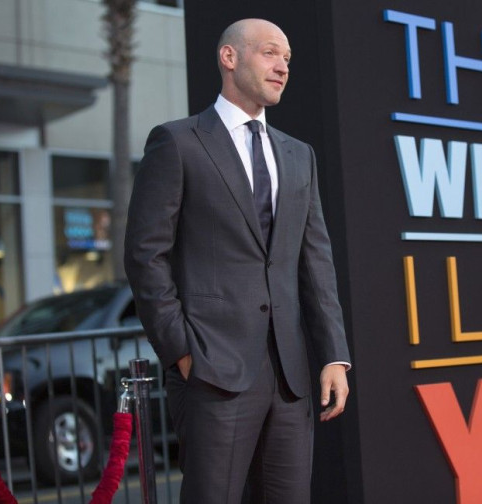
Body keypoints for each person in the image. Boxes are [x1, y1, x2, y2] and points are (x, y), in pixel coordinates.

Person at [124, 18, 351, 504]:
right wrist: (182, 352)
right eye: (271, 53)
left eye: (288, 58)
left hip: (289, 379)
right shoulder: (178, 142)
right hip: (211, 371)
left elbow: (316, 259)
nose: (283, 67)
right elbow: (146, 257)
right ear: (230, 58)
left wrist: (333, 353)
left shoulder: (299, 155)